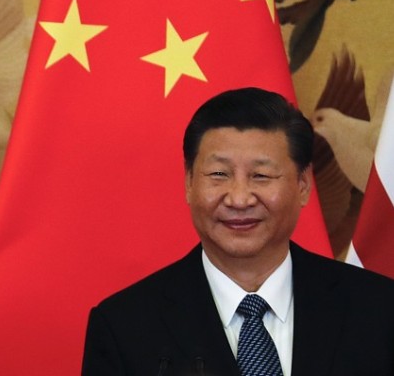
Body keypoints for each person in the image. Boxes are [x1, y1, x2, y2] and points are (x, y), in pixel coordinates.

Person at [81, 87, 394, 376]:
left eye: (261, 175)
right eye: (219, 174)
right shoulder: (123, 327)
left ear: (303, 185)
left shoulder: (380, 310)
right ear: (189, 182)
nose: (239, 199)